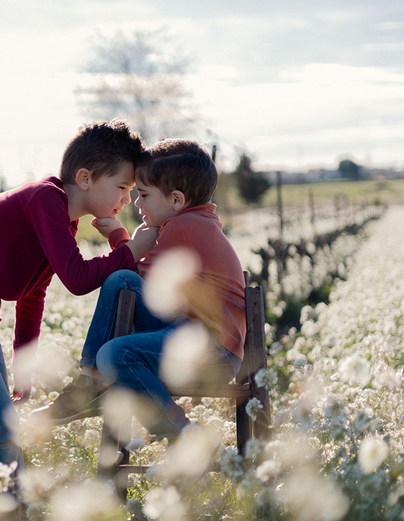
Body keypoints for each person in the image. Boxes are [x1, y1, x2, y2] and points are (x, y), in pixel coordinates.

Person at [0, 120, 159, 472]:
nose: (127, 199)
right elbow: (77, 278)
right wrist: (130, 250)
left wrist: (22, 366)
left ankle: (11, 504)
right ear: (85, 178)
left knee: (4, 427)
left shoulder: (60, 216)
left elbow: (33, 294)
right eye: (121, 186)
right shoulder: (46, 199)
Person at [31, 139, 246, 441]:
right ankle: (90, 384)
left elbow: (142, 281)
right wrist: (131, 244)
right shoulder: (193, 223)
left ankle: (182, 435)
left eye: (143, 194)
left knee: (115, 355)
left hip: (212, 354)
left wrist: (121, 239)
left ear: (176, 200)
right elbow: (134, 284)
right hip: (197, 339)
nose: (136, 202)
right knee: (120, 282)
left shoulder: (183, 227)